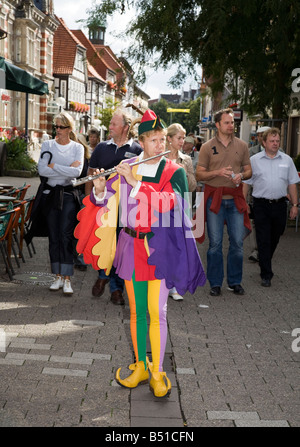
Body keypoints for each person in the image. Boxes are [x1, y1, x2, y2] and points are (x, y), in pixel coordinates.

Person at [75, 109, 206, 398]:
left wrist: (136, 185)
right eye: (155, 140)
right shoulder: (127, 165)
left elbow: (173, 205)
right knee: (136, 312)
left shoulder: (175, 171)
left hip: (158, 249)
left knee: (157, 311)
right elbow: (108, 201)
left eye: (163, 140)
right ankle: (140, 366)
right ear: (142, 142)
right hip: (130, 245)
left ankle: (157, 372)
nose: (161, 146)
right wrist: (99, 189)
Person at [85, 109, 143, 305]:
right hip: (104, 205)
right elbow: (91, 175)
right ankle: (104, 275)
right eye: (110, 124)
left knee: (121, 248)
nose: (109, 127)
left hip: (127, 208)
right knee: (105, 242)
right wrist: (88, 202)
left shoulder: (137, 150)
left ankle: (115, 288)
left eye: (114, 124)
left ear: (125, 127)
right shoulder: (101, 148)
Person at [196, 108, 252, 297]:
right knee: (215, 244)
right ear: (218, 125)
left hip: (235, 200)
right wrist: (217, 173)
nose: (231, 126)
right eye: (227, 122)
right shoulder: (206, 147)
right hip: (215, 201)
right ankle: (215, 283)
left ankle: (235, 282)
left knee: (237, 242)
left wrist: (241, 176)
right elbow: (199, 174)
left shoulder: (242, 145)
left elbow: (249, 171)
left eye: (233, 123)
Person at [243, 127, 299, 287]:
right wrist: (244, 203)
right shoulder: (255, 160)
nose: (275, 144)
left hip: (280, 205)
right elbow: (246, 184)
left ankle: (264, 258)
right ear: (264, 142)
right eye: (272, 141)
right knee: (263, 238)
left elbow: (292, 184)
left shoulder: (287, 160)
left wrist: (295, 205)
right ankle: (266, 274)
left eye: (277, 141)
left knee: (276, 235)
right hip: (261, 205)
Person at [37, 112, 84, 295]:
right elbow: (41, 169)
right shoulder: (47, 145)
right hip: (50, 195)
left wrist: (53, 167)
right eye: (55, 126)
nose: (58, 130)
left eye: (61, 127)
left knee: (66, 236)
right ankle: (56, 276)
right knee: (53, 236)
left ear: (69, 128)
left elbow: (77, 173)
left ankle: (67, 278)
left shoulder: (77, 148)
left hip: (67, 195)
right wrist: (66, 169)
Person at [166, 123, 197, 301]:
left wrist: (182, 173)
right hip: (162, 207)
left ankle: (175, 285)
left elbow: (192, 186)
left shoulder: (186, 159)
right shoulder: (159, 157)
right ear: (169, 139)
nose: (182, 141)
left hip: (181, 206)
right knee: (164, 245)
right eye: (179, 137)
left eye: (183, 138)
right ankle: (164, 281)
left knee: (179, 245)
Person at [247, 126, 271, 262]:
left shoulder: (279, 151)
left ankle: (265, 248)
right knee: (255, 223)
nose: (261, 137)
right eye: (259, 135)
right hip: (255, 193)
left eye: (263, 135)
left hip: (272, 195)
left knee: (271, 225)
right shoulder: (251, 152)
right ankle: (255, 250)